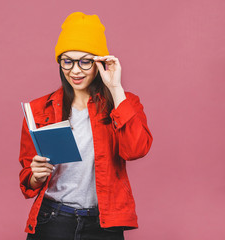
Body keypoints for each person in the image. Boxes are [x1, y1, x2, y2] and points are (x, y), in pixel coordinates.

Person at [18, 12, 153, 240]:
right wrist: (36, 176)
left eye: (85, 61)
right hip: (52, 220)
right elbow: (27, 179)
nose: (75, 70)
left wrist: (116, 88)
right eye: (67, 61)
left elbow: (136, 149)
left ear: (100, 62)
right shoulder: (40, 109)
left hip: (103, 224)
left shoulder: (124, 103)